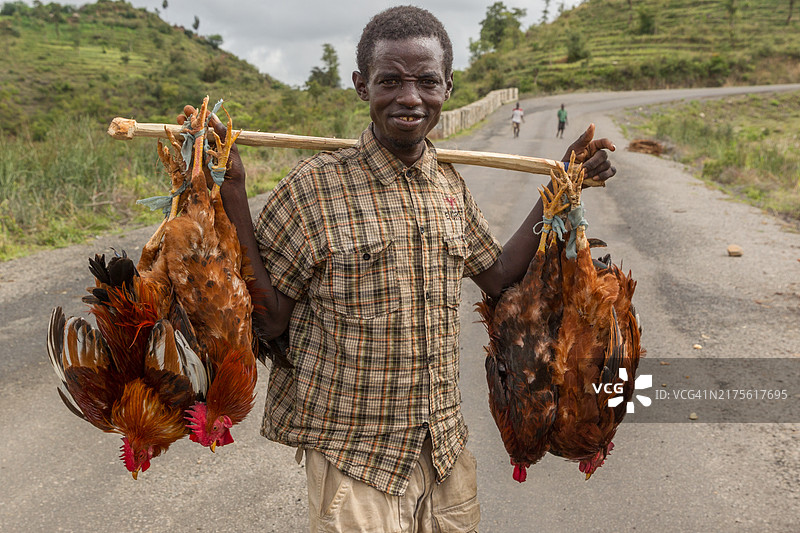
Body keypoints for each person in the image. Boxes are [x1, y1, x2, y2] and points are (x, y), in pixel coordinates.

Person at [186, 6, 615, 532]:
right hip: (356, 461)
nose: (410, 98)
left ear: (447, 88)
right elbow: (270, 320)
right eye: (390, 80)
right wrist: (233, 193)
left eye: (426, 82)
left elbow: (499, 276)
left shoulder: (449, 186)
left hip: (444, 453)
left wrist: (564, 183)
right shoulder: (313, 189)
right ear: (362, 86)